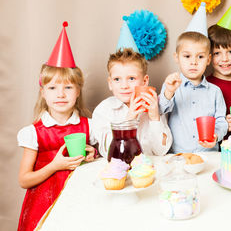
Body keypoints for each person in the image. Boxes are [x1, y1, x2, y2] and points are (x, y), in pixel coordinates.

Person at [17, 22, 97, 231]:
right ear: (43, 92)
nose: (60, 94)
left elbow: (101, 167)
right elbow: (24, 180)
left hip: (80, 202)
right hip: (42, 207)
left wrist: (93, 158)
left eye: (68, 87)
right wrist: (55, 166)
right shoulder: (34, 133)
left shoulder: (90, 126)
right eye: (52, 87)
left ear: (78, 91)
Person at [92, 48, 172, 157]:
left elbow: (161, 151)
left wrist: (154, 118)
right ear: (110, 83)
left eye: (131, 78)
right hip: (119, 170)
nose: (124, 86)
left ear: (144, 81)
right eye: (117, 79)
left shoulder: (154, 106)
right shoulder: (104, 110)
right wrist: (129, 120)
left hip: (150, 169)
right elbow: (108, 152)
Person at [159, 31, 228, 153]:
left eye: (200, 57)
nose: (194, 62)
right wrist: (169, 92)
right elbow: (160, 111)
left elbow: (221, 121)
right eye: (187, 56)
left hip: (209, 154)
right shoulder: (171, 86)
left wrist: (216, 135)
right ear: (177, 57)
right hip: (178, 155)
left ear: (208, 59)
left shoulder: (215, 92)